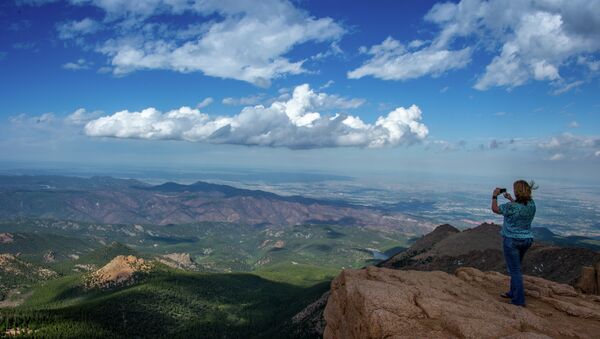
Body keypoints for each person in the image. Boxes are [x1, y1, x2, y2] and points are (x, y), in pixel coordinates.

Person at [491, 180, 537, 307]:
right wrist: (511, 199)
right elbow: (519, 209)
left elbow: (495, 209)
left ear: (517, 192)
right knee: (516, 268)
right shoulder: (531, 204)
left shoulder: (511, 207)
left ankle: (518, 301)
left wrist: (495, 195)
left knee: (515, 270)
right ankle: (512, 292)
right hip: (526, 240)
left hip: (512, 240)